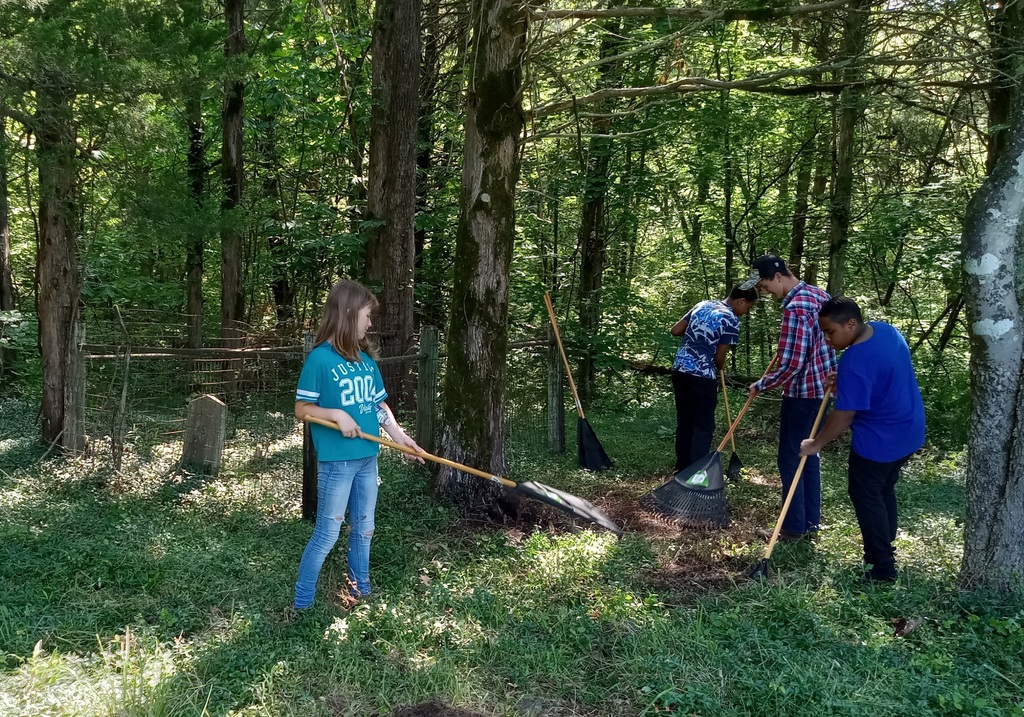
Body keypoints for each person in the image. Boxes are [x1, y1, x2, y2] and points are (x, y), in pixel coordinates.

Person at [293, 279, 424, 609]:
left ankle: (360, 590)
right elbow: (302, 410)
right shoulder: (320, 360)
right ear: (349, 314)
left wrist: (400, 436)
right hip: (338, 463)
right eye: (366, 315)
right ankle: (302, 604)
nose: (369, 323)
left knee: (365, 528)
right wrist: (337, 414)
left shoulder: (365, 361)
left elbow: (379, 406)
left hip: (368, 457)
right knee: (327, 534)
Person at [800, 297, 925, 582]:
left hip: (880, 442)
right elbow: (881, 378)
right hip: (909, 429)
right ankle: (885, 545)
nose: (828, 339)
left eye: (831, 331)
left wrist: (816, 443)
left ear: (851, 323)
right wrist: (844, 383)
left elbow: (843, 416)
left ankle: (880, 569)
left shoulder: (855, 361)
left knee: (866, 496)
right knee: (883, 491)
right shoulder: (886, 331)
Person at [744, 255, 837, 541]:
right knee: (809, 454)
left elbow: (792, 364)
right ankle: (809, 522)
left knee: (791, 458)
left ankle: (793, 527)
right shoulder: (819, 295)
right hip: (824, 390)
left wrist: (763, 384)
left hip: (803, 394)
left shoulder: (795, 308)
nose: (763, 292)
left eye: (763, 285)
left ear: (778, 276)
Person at [670, 285, 758, 471]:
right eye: (747, 308)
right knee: (703, 426)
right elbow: (719, 357)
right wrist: (720, 367)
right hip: (702, 375)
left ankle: (681, 468)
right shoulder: (731, 319)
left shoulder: (702, 305)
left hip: (680, 370)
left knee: (685, 422)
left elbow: (676, 330)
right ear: (740, 301)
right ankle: (695, 474)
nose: (745, 312)